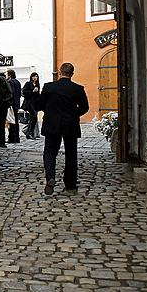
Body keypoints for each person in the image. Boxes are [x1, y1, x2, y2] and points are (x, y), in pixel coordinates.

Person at [39, 63, 89, 196]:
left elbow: (40, 104)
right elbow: (85, 107)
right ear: (72, 73)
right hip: (70, 124)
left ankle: (50, 177)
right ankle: (70, 185)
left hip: (52, 123)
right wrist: (74, 114)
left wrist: (50, 112)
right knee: (71, 155)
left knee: (49, 152)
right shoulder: (77, 89)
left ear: (60, 72)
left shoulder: (49, 87)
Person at [22, 72, 41, 139]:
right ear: (31, 77)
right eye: (34, 76)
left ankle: (29, 132)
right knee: (34, 116)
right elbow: (24, 92)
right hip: (29, 103)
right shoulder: (28, 83)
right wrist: (32, 91)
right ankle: (29, 133)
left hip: (35, 104)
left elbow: (38, 95)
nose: (35, 78)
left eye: (36, 76)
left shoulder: (37, 84)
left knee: (33, 118)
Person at [6, 70, 22, 143]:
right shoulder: (17, 82)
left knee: (11, 121)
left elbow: (11, 93)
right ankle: (17, 137)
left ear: (9, 75)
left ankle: (12, 138)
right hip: (16, 104)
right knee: (15, 121)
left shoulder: (10, 82)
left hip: (11, 104)